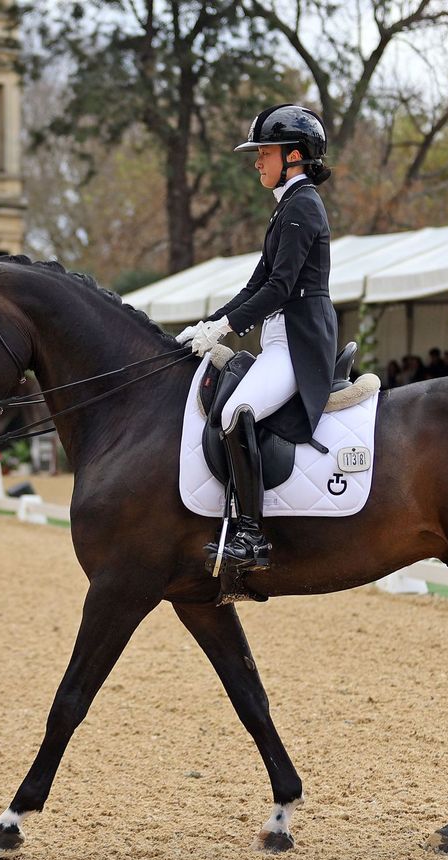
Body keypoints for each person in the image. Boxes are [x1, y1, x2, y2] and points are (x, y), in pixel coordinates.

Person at [177, 103, 334, 575]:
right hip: (279, 339)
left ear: (293, 156)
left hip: (299, 344)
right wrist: (207, 325)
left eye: (263, 152)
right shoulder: (287, 206)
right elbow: (254, 286)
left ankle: (250, 534)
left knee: (235, 412)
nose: (256, 162)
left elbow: (280, 288)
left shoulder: (301, 206)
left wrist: (226, 328)